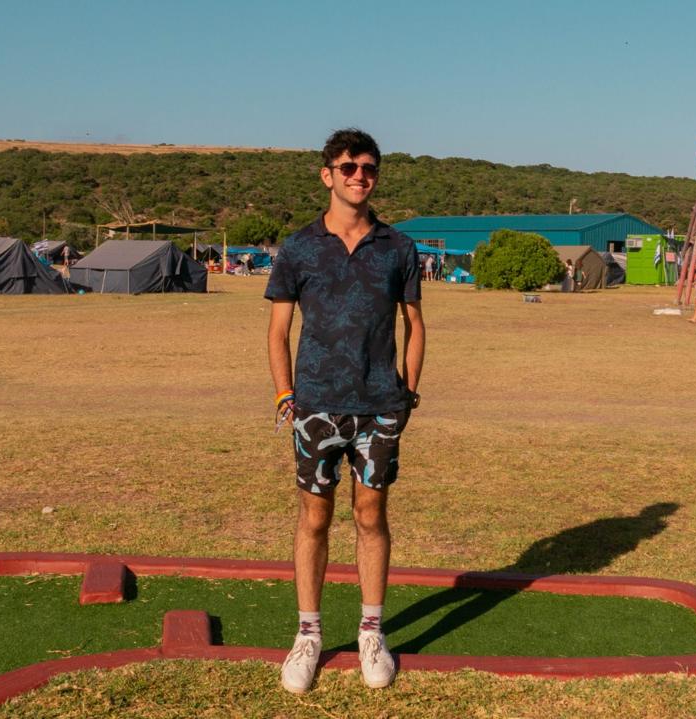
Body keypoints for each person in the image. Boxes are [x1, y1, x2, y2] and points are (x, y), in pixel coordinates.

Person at [265, 128, 425, 694]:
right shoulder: (299, 247)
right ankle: (308, 635)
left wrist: (408, 393)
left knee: (370, 516)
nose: (360, 176)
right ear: (327, 174)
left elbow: (415, 325)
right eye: (349, 166)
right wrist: (286, 394)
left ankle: (371, 633)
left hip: (379, 407)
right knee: (314, 518)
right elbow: (279, 330)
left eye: (369, 168)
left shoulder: (398, 247)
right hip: (316, 406)